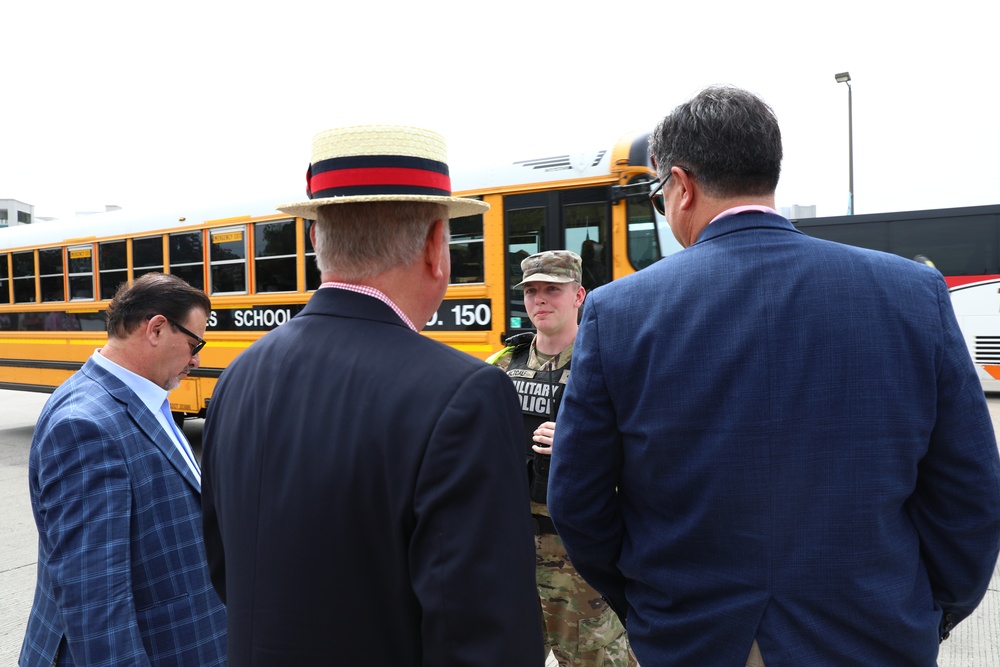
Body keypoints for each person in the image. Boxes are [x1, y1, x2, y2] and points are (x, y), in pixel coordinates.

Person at [547, 85, 1000, 666]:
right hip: (872, 634)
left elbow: (578, 500)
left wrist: (649, 607)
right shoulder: (911, 293)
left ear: (681, 185)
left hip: (693, 635)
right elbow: (969, 493)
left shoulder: (619, 311)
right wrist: (929, 611)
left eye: (660, 198)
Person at [201, 125, 544, 666]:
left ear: (317, 241)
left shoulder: (240, 374)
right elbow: (483, 636)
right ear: (437, 247)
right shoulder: (464, 393)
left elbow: (225, 570)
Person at [20, 273, 226, 666]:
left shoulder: (141, 398)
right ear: (157, 328)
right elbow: (93, 597)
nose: (197, 359)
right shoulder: (85, 426)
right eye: (194, 343)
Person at [488, 250, 636, 667]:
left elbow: (648, 451)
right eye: (532, 291)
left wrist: (581, 445)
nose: (540, 300)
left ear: (579, 295)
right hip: (514, 548)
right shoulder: (502, 366)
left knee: (597, 660)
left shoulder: (606, 364)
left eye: (553, 289)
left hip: (582, 553)